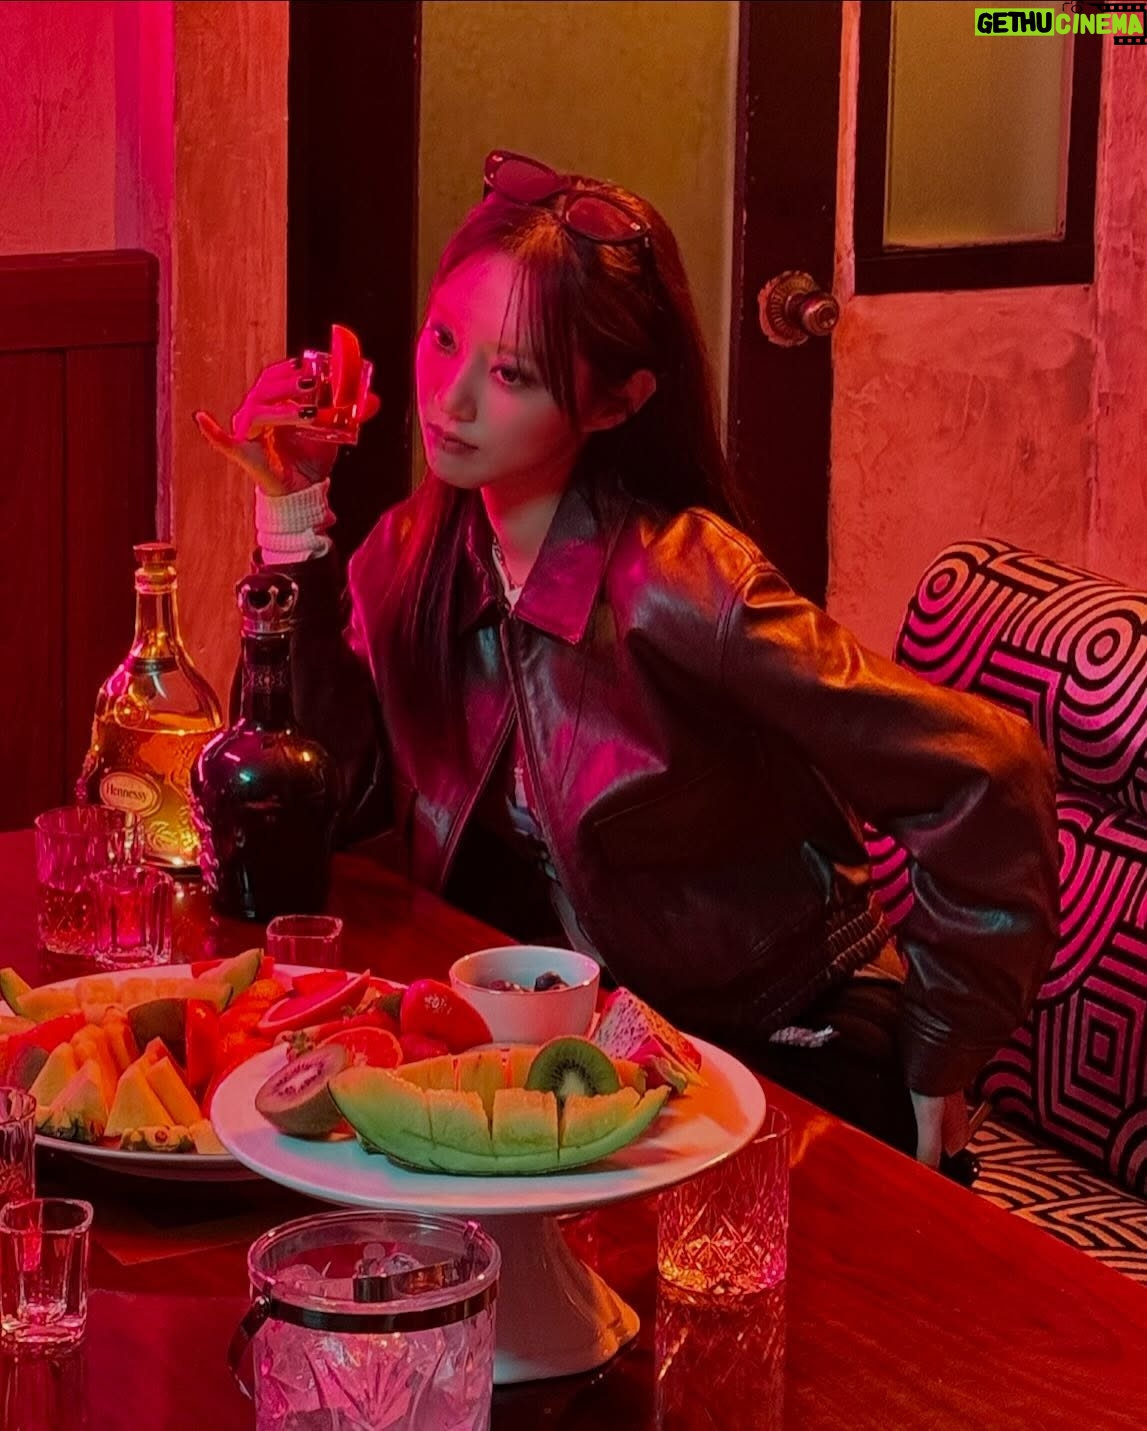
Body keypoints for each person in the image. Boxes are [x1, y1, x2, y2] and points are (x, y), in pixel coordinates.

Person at [195, 149, 1060, 1171]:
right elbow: (323, 800)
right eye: (443, 339)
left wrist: (941, 1057)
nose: (451, 399)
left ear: (614, 403)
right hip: (583, 1053)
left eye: (511, 374)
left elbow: (988, 770)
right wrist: (293, 519)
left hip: (781, 1035)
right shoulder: (414, 556)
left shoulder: (686, 584)